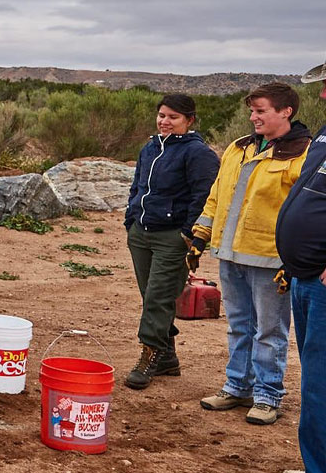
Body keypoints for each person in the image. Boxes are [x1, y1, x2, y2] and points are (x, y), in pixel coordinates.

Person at [193, 82, 311, 426]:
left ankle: (267, 396)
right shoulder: (238, 147)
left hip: (271, 260)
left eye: (261, 111)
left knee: (270, 331)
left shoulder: (301, 153)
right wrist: (200, 236)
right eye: (252, 111)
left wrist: (292, 259)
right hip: (230, 255)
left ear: (285, 111)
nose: (253, 117)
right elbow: (218, 193)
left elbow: (304, 211)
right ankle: (237, 386)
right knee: (239, 326)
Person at [120, 94, 220, 389]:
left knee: (158, 297)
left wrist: (188, 233)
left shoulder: (197, 153)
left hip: (172, 236)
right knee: (151, 295)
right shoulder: (150, 148)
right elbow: (137, 185)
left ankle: (150, 355)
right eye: (161, 115)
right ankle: (167, 357)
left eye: (173, 117)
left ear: (189, 120)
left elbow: (203, 195)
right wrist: (131, 218)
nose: (164, 121)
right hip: (141, 233)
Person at [276, 59, 326, 473]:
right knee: (313, 377)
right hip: (306, 276)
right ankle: (318, 468)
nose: (325, 93)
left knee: (323, 382)